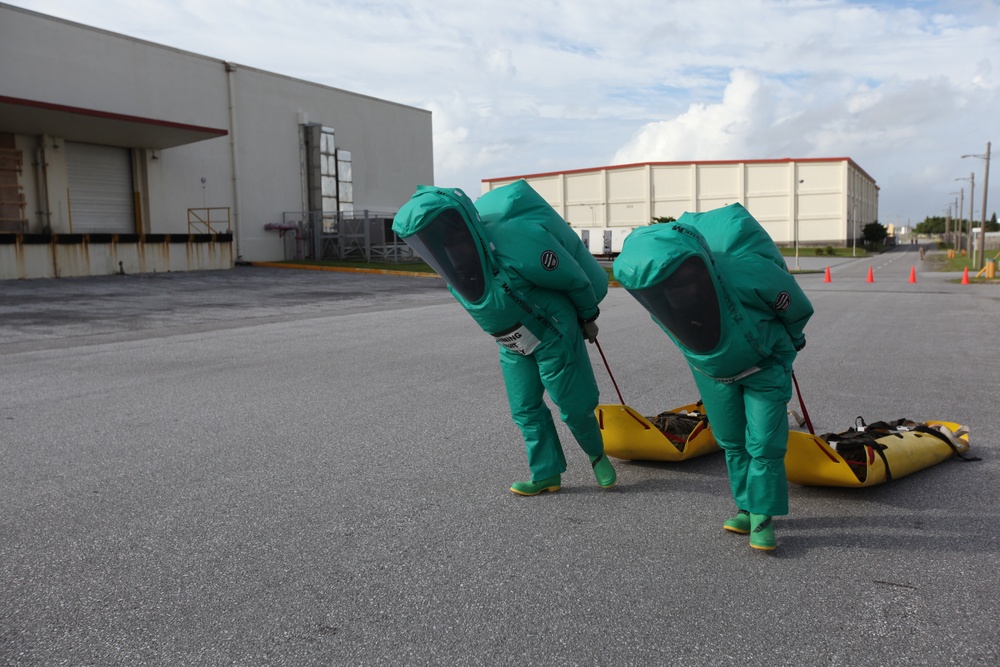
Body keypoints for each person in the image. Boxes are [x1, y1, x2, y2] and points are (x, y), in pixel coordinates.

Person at [392, 179, 616, 496]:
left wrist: (587, 315)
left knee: (573, 403)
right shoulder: (455, 271)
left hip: (553, 330)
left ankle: (596, 457)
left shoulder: (516, 243)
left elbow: (574, 278)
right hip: (512, 343)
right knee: (524, 408)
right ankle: (546, 474)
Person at [613, 203, 813, 550]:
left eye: (680, 280)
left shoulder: (748, 271)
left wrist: (791, 346)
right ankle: (745, 506)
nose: (675, 289)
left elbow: (795, 308)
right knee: (731, 442)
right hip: (713, 372)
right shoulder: (659, 298)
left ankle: (762, 517)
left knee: (764, 443)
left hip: (765, 364)